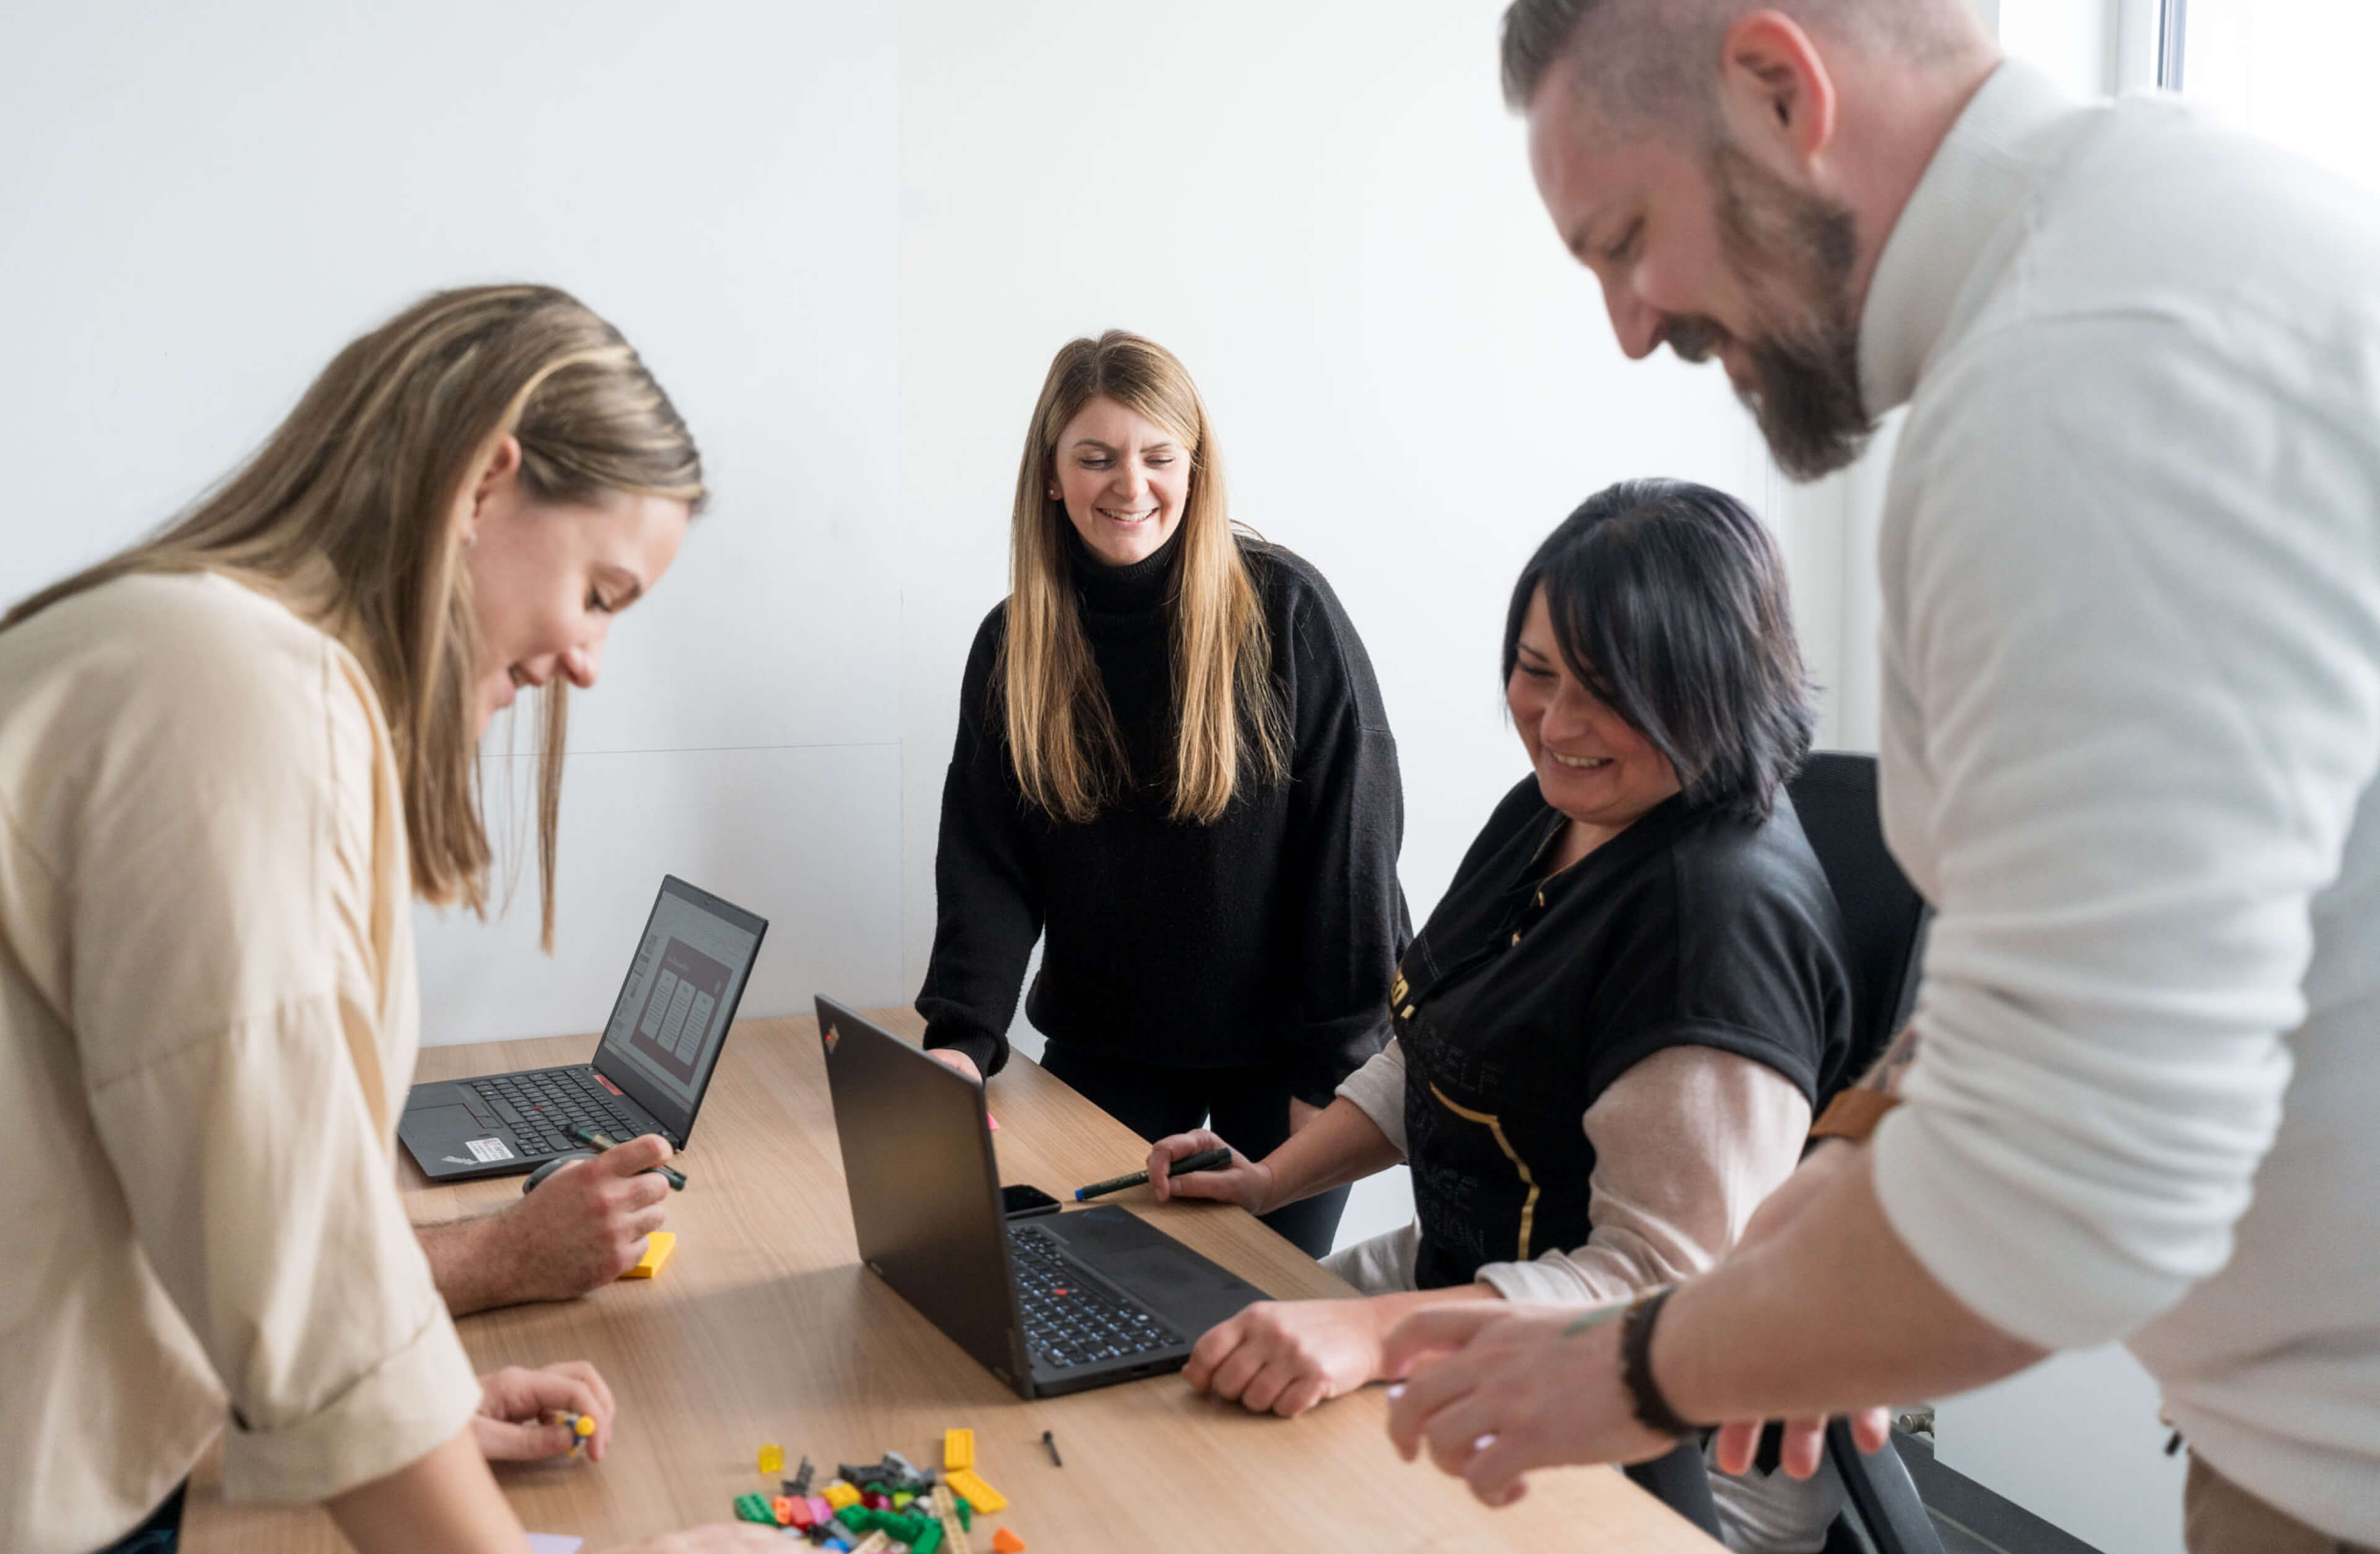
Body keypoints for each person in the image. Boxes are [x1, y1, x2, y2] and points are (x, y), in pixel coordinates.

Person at [1381, 6, 2380, 1553]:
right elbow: (2071, 944)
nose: (1632, 329)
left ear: (1782, 91)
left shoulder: (2080, 382)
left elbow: (2073, 1197)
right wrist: (1836, 1174)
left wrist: (1636, 1371)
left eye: (1628, 240)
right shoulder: (2156, 253)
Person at [0, 284, 779, 1554]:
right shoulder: (232, 693)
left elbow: (200, 1220)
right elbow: (301, 1282)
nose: (586, 659)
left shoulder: (182, 650)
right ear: (484, 484)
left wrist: (423, 1412)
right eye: (601, 592)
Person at [1150, 480, 1852, 1553]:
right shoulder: (1554, 810)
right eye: (1535, 673)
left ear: (1710, 687)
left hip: (1668, 1434)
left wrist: (1373, 1336)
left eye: (1609, 692)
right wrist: (1267, 1180)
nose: (1557, 725)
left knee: (1254, 1501)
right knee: (1169, 1396)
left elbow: (1653, 1287)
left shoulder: (1718, 923)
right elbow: (1438, 1043)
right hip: (1472, 1289)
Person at [917, 330, 1407, 1258]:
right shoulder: (1014, 645)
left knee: (1252, 1308)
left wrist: (1334, 1073)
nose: (1129, 486)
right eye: (1095, 457)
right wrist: (961, 1043)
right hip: (1115, 1048)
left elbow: (1355, 851)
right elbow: (988, 865)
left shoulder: (1288, 610)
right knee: (1093, 1291)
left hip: (1295, 1056)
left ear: (1196, 466)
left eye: (1157, 457)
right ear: (1052, 476)